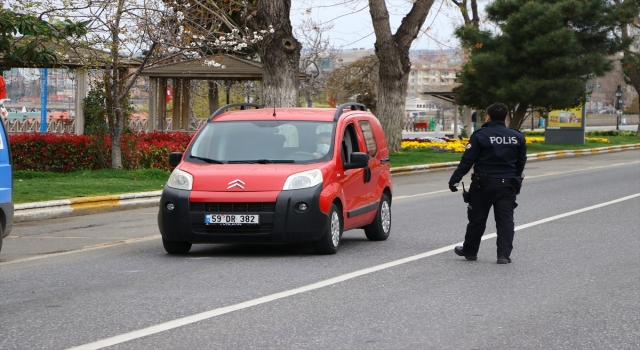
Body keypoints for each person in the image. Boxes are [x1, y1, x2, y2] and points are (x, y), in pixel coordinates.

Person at [448, 103, 527, 264]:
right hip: (508, 185)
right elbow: (521, 161)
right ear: (506, 118)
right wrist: (516, 177)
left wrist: (455, 179)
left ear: (488, 117)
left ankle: (470, 251)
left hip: (483, 185)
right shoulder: (516, 136)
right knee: (505, 221)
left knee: (477, 219)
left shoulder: (480, 135)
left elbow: (467, 160)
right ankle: (503, 255)